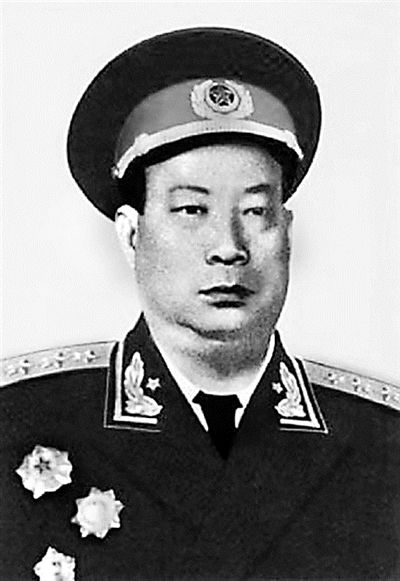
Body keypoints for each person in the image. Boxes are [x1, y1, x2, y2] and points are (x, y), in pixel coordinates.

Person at [0, 27, 399, 581]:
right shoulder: (21, 421)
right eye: (192, 211)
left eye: (256, 212)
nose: (229, 247)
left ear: (287, 231)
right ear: (132, 235)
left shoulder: (381, 439)